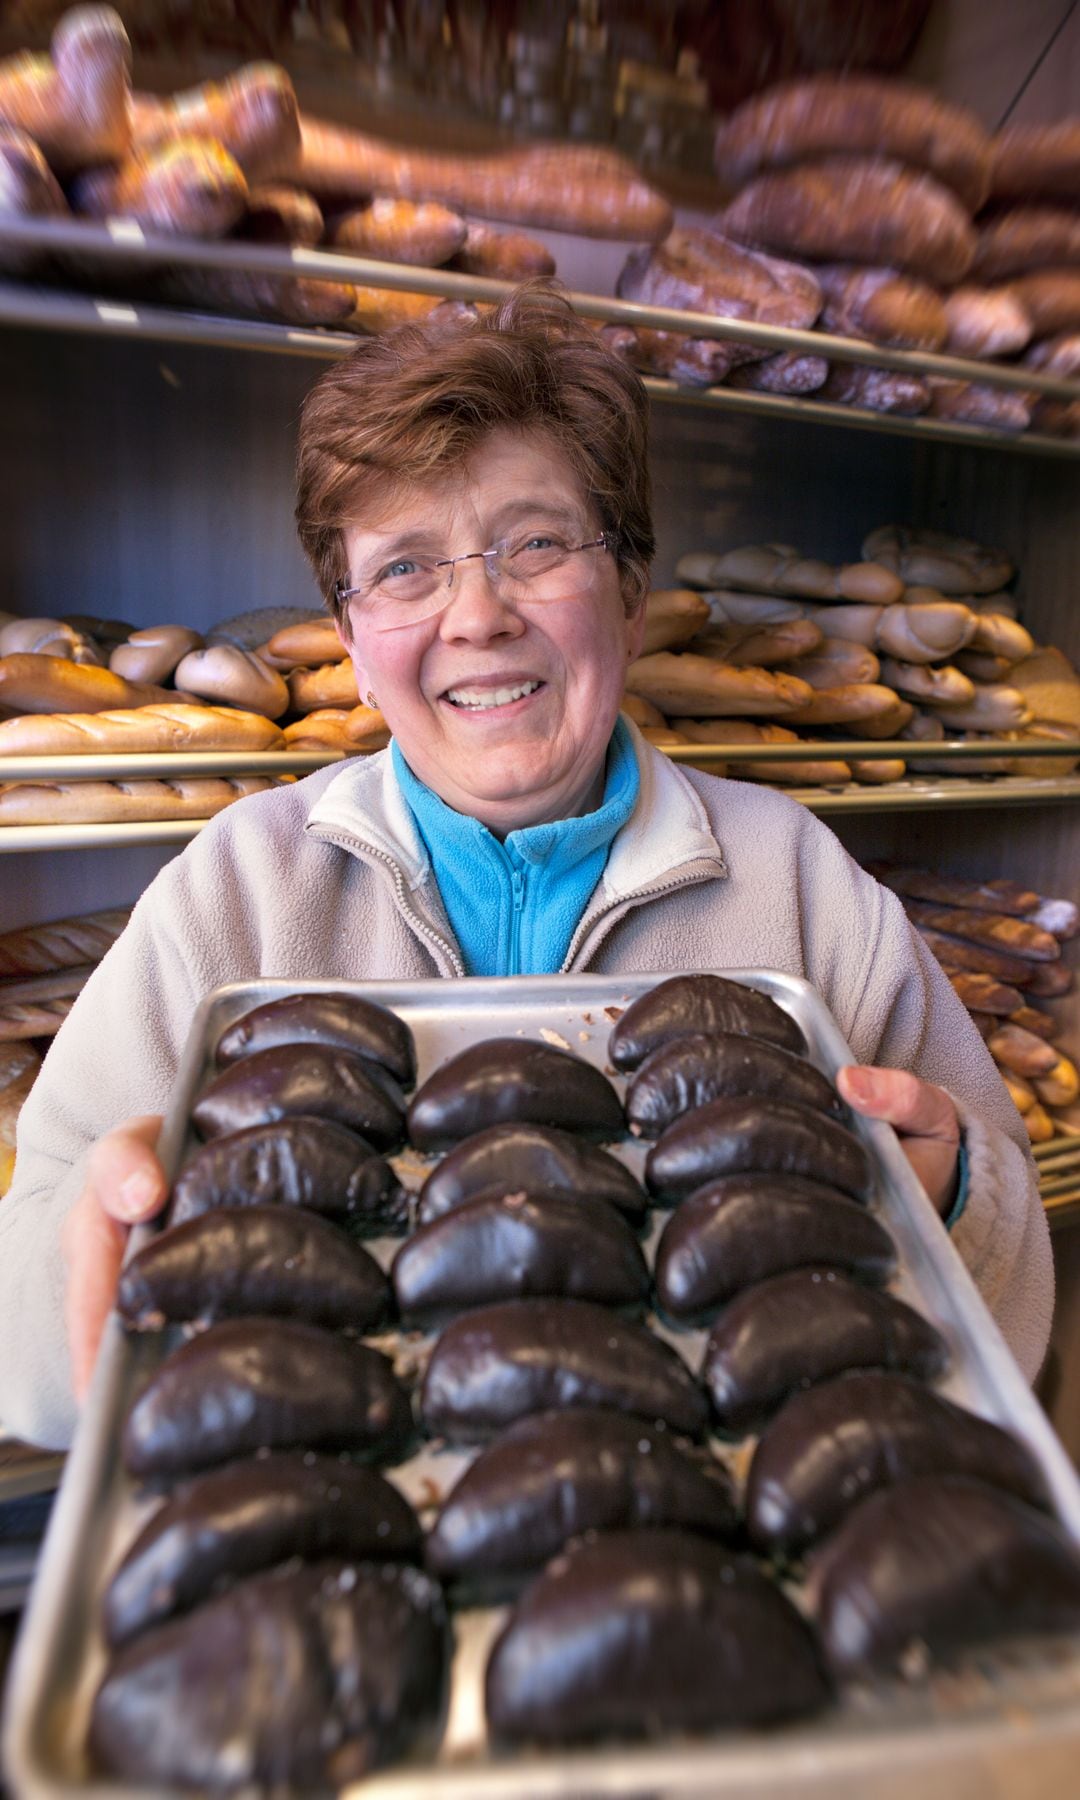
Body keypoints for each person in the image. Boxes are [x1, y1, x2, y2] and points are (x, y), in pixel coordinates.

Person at [0, 289, 1051, 1448]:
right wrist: (91, 1262)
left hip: (699, 1555)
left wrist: (951, 1204)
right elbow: (23, 1348)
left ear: (632, 593)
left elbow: (1015, 1322)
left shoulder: (800, 888)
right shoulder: (239, 896)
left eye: (536, 543)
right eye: (405, 568)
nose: (478, 613)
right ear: (348, 639)